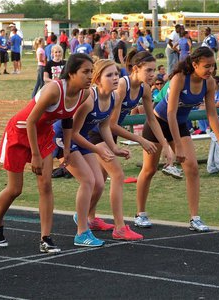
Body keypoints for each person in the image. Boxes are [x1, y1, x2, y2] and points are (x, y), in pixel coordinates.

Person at [0, 54, 93, 253]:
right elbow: (30, 121)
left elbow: (67, 120)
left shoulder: (84, 94)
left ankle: (46, 238)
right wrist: (35, 155)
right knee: (15, 189)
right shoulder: (54, 89)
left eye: (91, 71)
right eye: (85, 71)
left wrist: (67, 148)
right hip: (20, 132)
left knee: (45, 185)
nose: (90, 76)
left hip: (44, 135)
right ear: (71, 73)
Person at [135, 47, 219, 231]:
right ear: (194, 64)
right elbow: (171, 113)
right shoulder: (180, 77)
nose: (211, 70)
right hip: (159, 123)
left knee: (193, 168)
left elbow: (212, 114)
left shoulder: (209, 83)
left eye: (213, 66)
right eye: (206, 66)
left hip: (179, 125)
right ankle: (140, 214)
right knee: (149, 170)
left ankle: (194, 218)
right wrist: (177, 147)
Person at [56, 59, 143, 245]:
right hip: (64, 137)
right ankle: (81, 232)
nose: (115, 78)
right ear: (97, 79)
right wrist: (98, 149)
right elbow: (73, 133)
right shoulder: (88, 99)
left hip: (82, 138)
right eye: (109, 75)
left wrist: (114, 148)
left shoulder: (114, 97)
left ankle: (83, 217)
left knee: (99, 184)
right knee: (88, 180)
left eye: (117, 74)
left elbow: (104, 126)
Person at [89, 50, 172, 228]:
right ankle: (119, 227)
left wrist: (165, 145)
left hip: (109, 133)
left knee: (100, 181)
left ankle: (88, 217)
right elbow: (111, 124)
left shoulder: (145, 89)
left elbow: (152, 119)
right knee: (117, 175)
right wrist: (140, 139)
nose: (153, 74)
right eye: (149, 70)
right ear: (135, 69)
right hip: (96, 131)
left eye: (154, 70)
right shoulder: (121, 86)